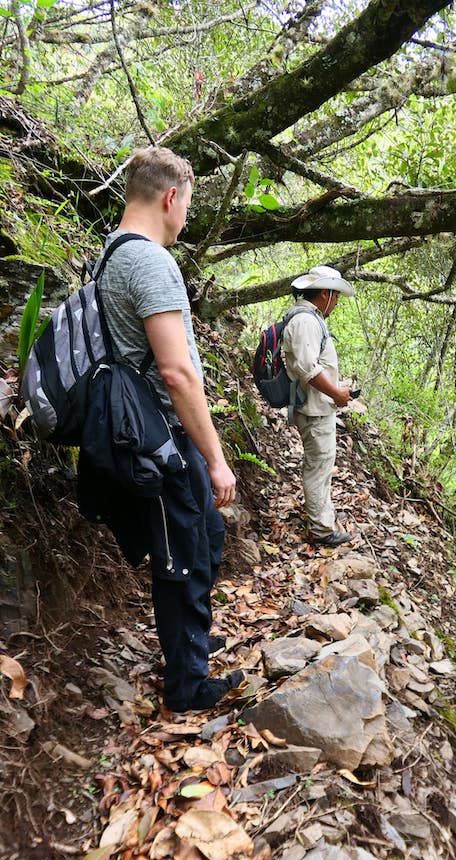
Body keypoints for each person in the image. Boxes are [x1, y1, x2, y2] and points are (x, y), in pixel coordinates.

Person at [84, 146, 242, 713]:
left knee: (204, 537)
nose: (184, 220)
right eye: (187, 207)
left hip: (139, 426)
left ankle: (189, 642)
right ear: (171, 197)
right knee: (183, 553)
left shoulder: (108, 254)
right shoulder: (150, 261)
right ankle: (187, 687)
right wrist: (216, 456)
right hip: (160, 435)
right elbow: (177, 372)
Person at [282, 265, 355, 547]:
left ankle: (323, 513)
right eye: (335, 296)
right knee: (318, 466)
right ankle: (322, 530)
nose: (336, 303)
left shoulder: (308, 318)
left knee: (322, 465)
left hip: (315, 405)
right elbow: (305, 368)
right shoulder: (306, 321)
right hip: (313, 408)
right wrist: (337, 393)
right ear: (324, 294)